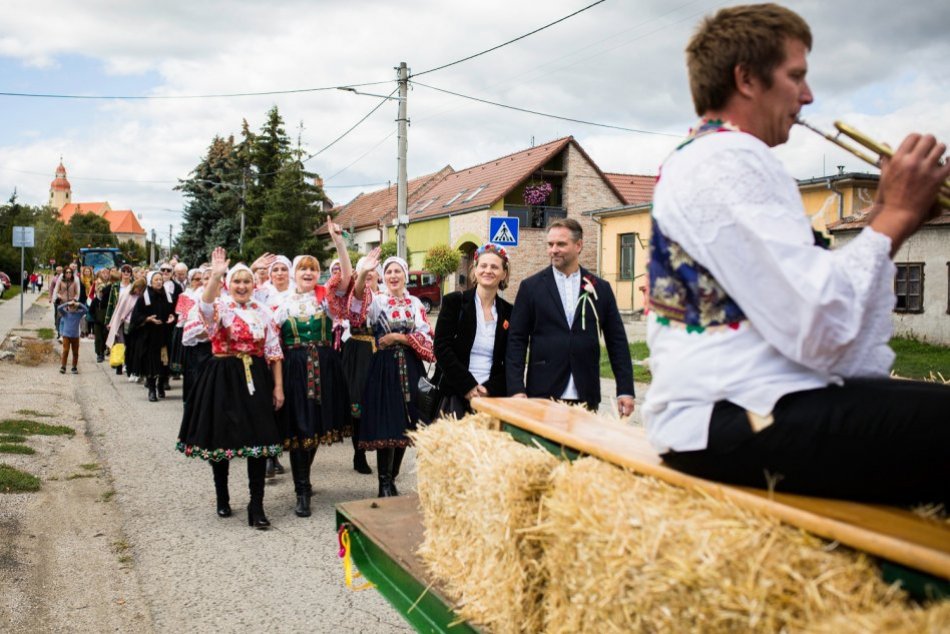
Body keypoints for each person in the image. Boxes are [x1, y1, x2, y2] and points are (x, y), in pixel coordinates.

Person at [644, 3, 950, 506]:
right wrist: (894, 215)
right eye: (796, 76)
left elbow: (811, 297)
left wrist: (884, 217)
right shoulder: (728, 158)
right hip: (733, 416)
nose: (808, 96)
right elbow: (816, 325)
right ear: (746, 78)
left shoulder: (710, 157)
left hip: (727, 413)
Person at [176, 248, 284, 529]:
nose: (242, 286)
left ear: (253, 285)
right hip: (223, 375)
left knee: (258, 442)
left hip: (255, 376)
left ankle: (256, 505)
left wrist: (278, 388)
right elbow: (206, 304)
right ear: (228, 284)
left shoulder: (262, 312)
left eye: (246, 281)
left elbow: (274, 352)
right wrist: (215, 274)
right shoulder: (221, 307)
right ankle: (222, 496)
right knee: (222, 439)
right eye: (236, 281)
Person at [506, 218, 635, 416]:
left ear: (579, 245)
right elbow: (516, 340)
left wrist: (625, 389)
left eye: (561, 244)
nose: (553, 250)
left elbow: (616, 341)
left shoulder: (600, 288)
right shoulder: (530, 287)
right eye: (550, 244)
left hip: (585, 391)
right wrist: (516, 388)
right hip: (543, 390)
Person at [272, 222, 352, 517]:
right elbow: (270, 343)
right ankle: (302, 490)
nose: (308, 273)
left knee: (315, 428)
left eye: (312, 269)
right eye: (302, 269)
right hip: (294, 368)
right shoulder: (280, 303)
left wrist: (339, 244)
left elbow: (345, 280)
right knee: (299, 428)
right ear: (294, 274)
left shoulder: (325, 300)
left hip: (324, 368)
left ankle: (303, 476)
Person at [347, 249, 435, 497]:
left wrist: (399, 337)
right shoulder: (377, 302)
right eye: (388, 271)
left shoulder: (415, 303)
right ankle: (384, 483)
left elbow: (426, 335)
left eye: (397, 271)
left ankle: (392, 478)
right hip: (384, 367)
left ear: (405, 276)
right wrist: (363, 273)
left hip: (410, 366)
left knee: (407, 425)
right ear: (383, 277)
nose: (393, 275)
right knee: (388, 423)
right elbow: (355, 309)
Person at [434, 243, 514, 417]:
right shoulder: (454, 302)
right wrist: (468, 386)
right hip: (455, 394)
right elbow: (441, 348)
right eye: (483, 265)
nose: (488, 270)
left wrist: (489, 389)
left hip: (491, 398)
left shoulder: (509, 312)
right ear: (475, 270)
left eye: (494, 267)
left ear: (504, 274)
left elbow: (512, 359)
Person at [341, 256, 383, 475]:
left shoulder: (384, 297)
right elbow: (357, 299)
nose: (368, 276)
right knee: (357, 403)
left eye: (372, 273)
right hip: (358, 351)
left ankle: (379, 448)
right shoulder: (356, 296)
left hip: (380, 352)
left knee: (377, 403)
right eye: (364, 273)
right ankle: (359, 454)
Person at [129, 272, 175, 402]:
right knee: (151, 363)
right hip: (150, 336)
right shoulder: (144, 297)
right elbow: (136, 317)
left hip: (165, 335)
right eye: (156, 280)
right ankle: (151, 389)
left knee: (164, 362)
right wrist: (147, 319)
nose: (159, 282)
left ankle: (161, 385)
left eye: (160, 279)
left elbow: (174, 312)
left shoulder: (168, 296)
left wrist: (172, 317)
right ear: (150, 282)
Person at [106, 278, 147, 379]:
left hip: (138, 324)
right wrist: (112, 323)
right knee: (127, 346)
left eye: (141, 289)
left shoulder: (143, 296)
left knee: (136, 348)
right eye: (138, 289)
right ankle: (127, 367)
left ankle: (135, 370)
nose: (138, 291)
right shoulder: (127, 294)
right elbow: (119, 309)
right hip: (127, 323)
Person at [89, 268, 113, 362]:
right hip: (98, 322)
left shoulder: (107, 299)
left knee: (105, 337)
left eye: (107, 273)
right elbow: (91, 311)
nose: (101, 292)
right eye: (99, 290)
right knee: (98, 338)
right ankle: (99, 353)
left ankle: (105, 351)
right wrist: (95, 319)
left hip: (106, 321)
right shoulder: (96, 301)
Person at [57, 300, 88, 374]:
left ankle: (74, 367)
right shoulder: (65, 314)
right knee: (66, 351)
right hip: (66, 336)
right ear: (68, 307)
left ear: (76, 308)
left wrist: (79, 304)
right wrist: (67, 303)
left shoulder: (78, 314)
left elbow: (86, 310)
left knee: (75, 352)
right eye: (70, 307)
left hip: (75, 336)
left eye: (73, 307)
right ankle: (63, 366)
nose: (72, 308)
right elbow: (59, 308)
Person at [52, 267, 80, 341]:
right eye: (66, 272)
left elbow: (77, 293)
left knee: (69, 319)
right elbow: (56, 290)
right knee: (61, 319)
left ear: (71, 273)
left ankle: (69, 334)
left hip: (71, 303)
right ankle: (61, 335)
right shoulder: (61, 281)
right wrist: (59, 296)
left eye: (69, 272)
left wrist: (74, 300)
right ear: (64, 273)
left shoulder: (75, 282)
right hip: (62, 303)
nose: (68, 274)